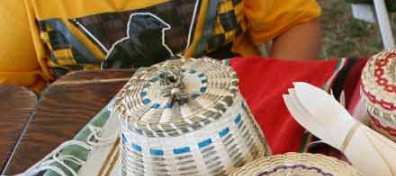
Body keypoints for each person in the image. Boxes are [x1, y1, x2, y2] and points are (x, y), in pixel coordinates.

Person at [0, 0, 323, 91]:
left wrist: (276, 97)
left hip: (234, 121)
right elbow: (11, 99)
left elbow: (294, 23)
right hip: (104, 161)